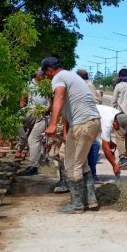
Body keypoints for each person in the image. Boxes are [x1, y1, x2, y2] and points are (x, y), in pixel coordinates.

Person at [42, 57, 100, 214]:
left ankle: (77, 205)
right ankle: (90, 199)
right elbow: (69, 105)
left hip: (82, 124)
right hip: (92, 122)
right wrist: (65, 130)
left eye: (46, 73)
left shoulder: (58, 77)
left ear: (50, 70)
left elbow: (59, 96)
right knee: (81, 163)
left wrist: (53, 124)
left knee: (72, 164)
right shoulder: (71, 75)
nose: (47, 77)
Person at [17, 69, 50, 176]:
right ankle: (22, 141)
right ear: (36, 74)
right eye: (41, 73)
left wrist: (49, 110)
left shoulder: (48, 85)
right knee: (16, 119)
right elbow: (23, 99)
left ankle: (34, 166)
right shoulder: (29, 84)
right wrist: (21, 108)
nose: (43, 75)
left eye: (44, 74)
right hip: (31, 111)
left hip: (44, 113)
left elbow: (53, 101)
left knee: (35, 140)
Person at [77, 69, 103, 183]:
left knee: (93, 145)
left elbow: (94, 102)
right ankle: (89, 174)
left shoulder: (87, 86)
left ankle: (92, 174)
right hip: (88, 118)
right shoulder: (86, 85)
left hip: (90, 119)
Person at [95, 104, 127, 180]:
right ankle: (91, 175)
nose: (119, 130)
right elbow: (105, 147)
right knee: (94, 147)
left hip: (93, 118)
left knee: (94, 145)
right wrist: (114, 165)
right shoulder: (108, 122)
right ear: (115, 122)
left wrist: (110, 141)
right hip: (83, 118)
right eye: (119, 127)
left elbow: (106, 136)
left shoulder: (118, 115)